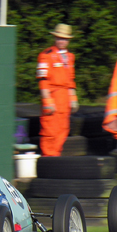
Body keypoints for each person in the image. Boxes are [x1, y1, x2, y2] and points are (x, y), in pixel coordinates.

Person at [36, 23, 79, 157]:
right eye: (59, 38)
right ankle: (49, 158)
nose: (62, 41)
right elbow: (42, 79)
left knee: (63, 130)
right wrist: (47, 100)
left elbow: (71, 80)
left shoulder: (70, 57)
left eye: (65, 38)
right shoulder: (45, 55)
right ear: (55, 38)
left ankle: (56, 157)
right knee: (50, 131)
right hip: (53, 96)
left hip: (65, 99)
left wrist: (73, 98)